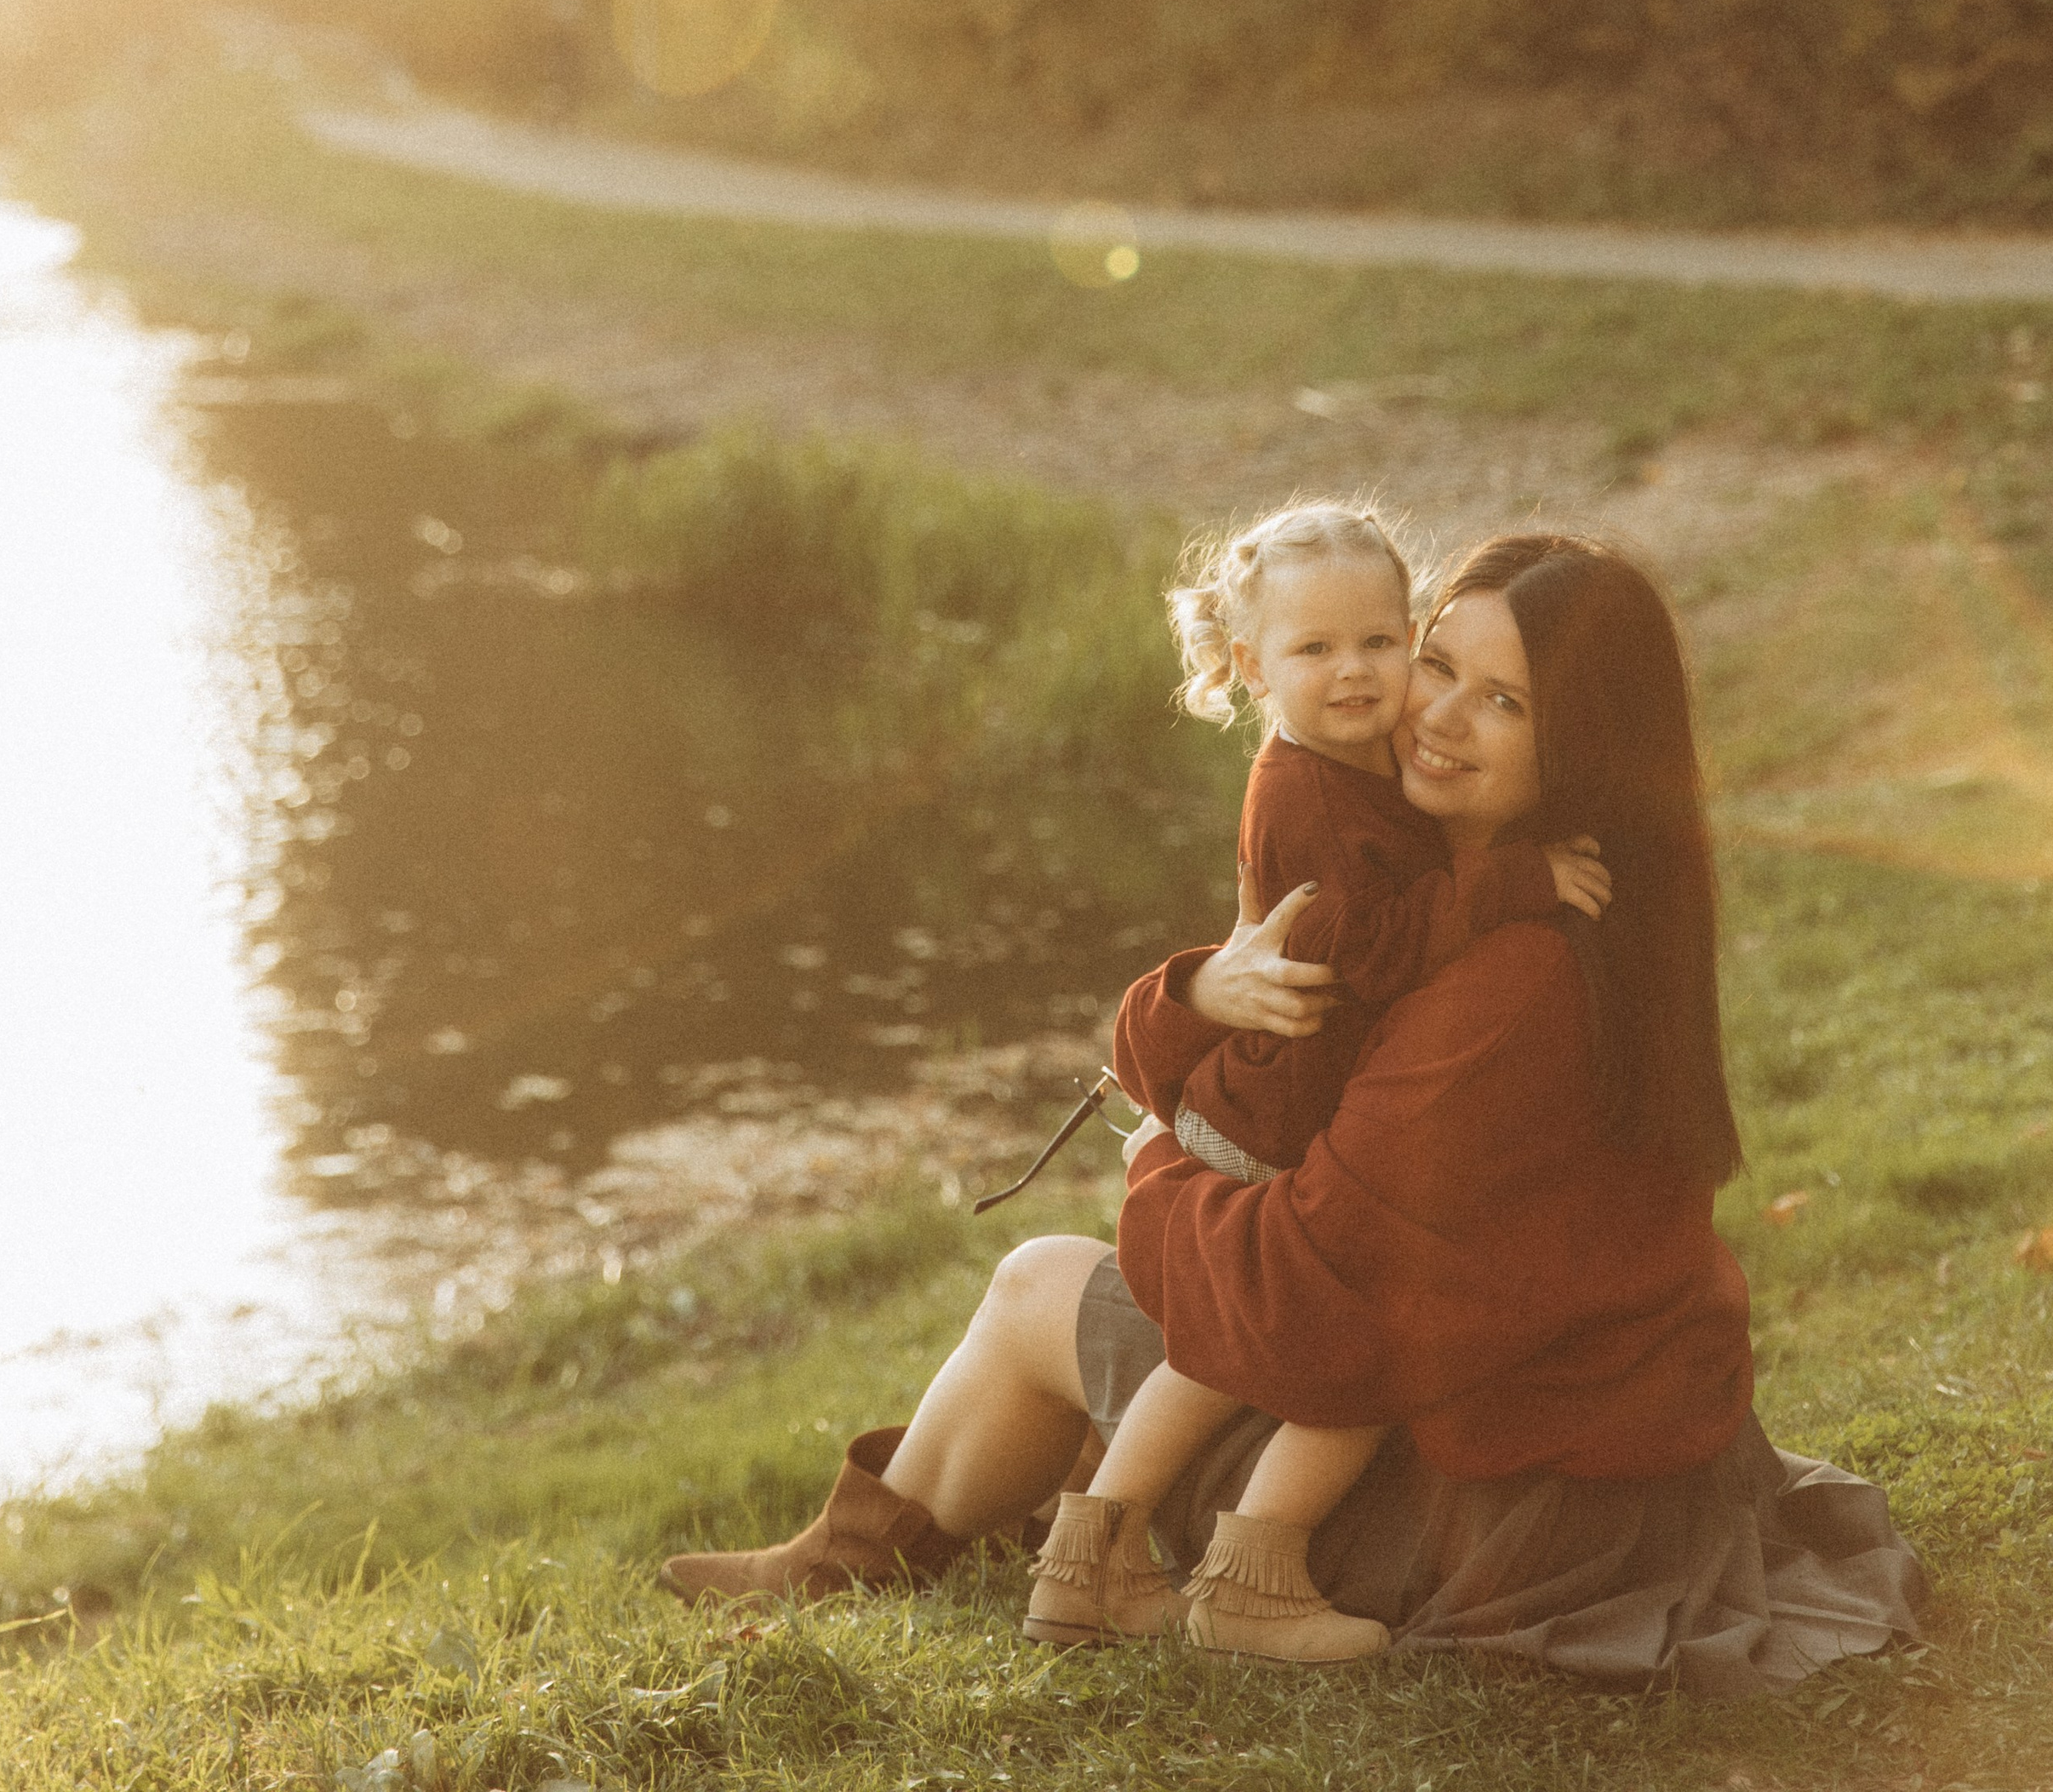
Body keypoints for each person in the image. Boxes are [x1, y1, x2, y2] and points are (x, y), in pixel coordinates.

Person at [664, 534, 1925, 1698]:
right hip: (1550, 1435)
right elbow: (1270, 1025)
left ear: (1582, 740)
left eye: (1505, 701)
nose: (1432, 713)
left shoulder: (1513, 977)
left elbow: (1311, 1286)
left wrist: (1158, 1166)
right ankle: (859, 1557)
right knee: (1064, 1289)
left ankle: (873, 1564)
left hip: (1485, 1507)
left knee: (1039, 1286)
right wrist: (1202, 994)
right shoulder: (1510, 891)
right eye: (1437, 662)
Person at [1023, 499, 1613, 1657]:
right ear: (1249, 666)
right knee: (1361, 1355)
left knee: (1209, 1354)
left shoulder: (1346, 767)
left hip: (1251, 1113)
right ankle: (1252, 1583)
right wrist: (1518, 882)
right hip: (1267, 1133)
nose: (1356, 674)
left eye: (1381, 644)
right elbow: (1379, 946)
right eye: (1313, 650)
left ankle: (1081, 1567)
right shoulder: (1309, 794)